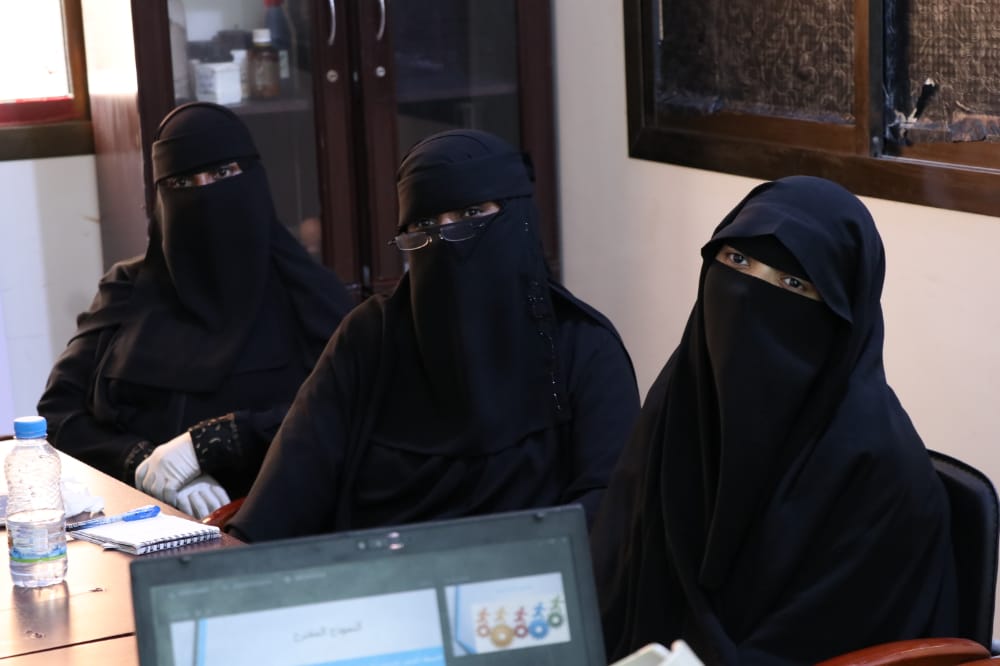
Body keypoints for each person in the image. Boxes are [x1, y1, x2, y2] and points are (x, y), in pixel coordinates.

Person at [590, 176, 957, 664]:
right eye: (738, 261)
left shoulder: (884, 478)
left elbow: (817, 647)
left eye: (793, 284)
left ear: (842, 321)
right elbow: (610, 581)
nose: (748, 296)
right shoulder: (682, 403)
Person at [227, 129, 640, 541]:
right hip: (379, 576)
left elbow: (608, 510)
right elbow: (284, 493)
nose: (444, 238)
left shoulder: (582, 348)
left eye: (471, 214)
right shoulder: (370, 339)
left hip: (529, 576)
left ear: (518, 219)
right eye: (424, 224)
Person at [37, 102, 353, 519]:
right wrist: (140, 463)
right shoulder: (127, 289)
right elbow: (58, 414)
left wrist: (210, 443)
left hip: (276, 523)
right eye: (183, 182)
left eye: (222, 174)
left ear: (254, 177)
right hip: (139, 521)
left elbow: (346, 410)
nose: (205, 194)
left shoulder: (307, 293)